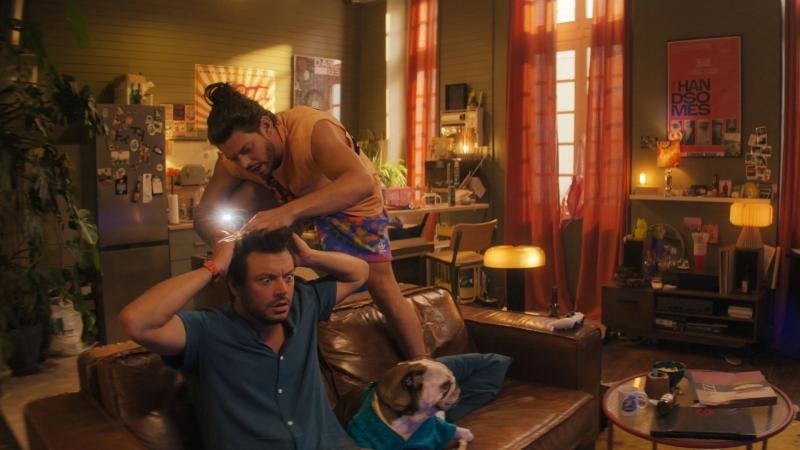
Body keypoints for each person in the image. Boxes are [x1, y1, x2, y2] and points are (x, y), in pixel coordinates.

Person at [193, 82, 427, 359]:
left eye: (247, 149)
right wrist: (224, 244)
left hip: (349, 195)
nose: (244, 162)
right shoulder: (236, 162)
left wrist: (287, 213)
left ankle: (425, 366)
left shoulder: (312, 130)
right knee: (243, 195)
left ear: (266, 125)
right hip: (293, 195)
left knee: (382, 286)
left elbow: (360, 182)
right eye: (234, 156)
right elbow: (204, 215)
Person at [118, 228, 368, 449]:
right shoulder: (207, 330)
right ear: (234, 286)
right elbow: (136, 321)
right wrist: (214, 266)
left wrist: (309, 256)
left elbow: (360, 272)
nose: (282, 291)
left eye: (288, 277)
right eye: (266, 280)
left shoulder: (303, 305)